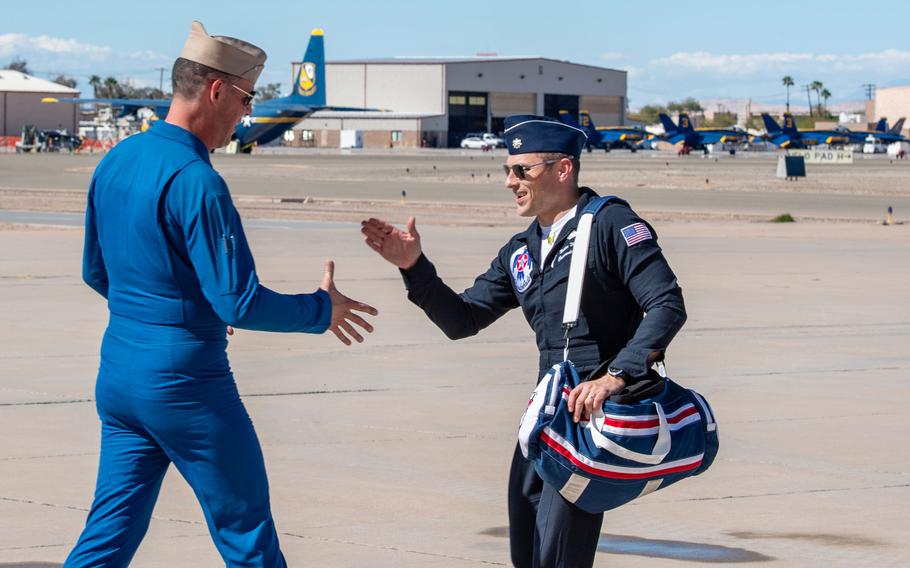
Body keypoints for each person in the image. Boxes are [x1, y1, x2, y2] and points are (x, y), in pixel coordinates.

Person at [66, 21, 376, 567]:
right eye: (244, 97)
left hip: (118, 375)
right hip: (186, 385)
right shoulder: (197, 179)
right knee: (247, 532)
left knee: (108, 535)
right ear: (216, 90)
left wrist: (175, 305)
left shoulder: (116, 159)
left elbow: (97, 272)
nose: (246, 113)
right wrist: (321, 309)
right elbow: (241, 302)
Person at [361, 115, 686, 567]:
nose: (510, 181)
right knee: (528, 550)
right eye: (507, 170)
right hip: (546, 412)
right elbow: (462, 319)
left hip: (590, 414)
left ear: (563, 169)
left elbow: (667, 304)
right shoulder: (521, 249)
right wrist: (414, 267)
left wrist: (615, 376)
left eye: (522, 170)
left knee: (558, 554)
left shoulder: (611, 224)